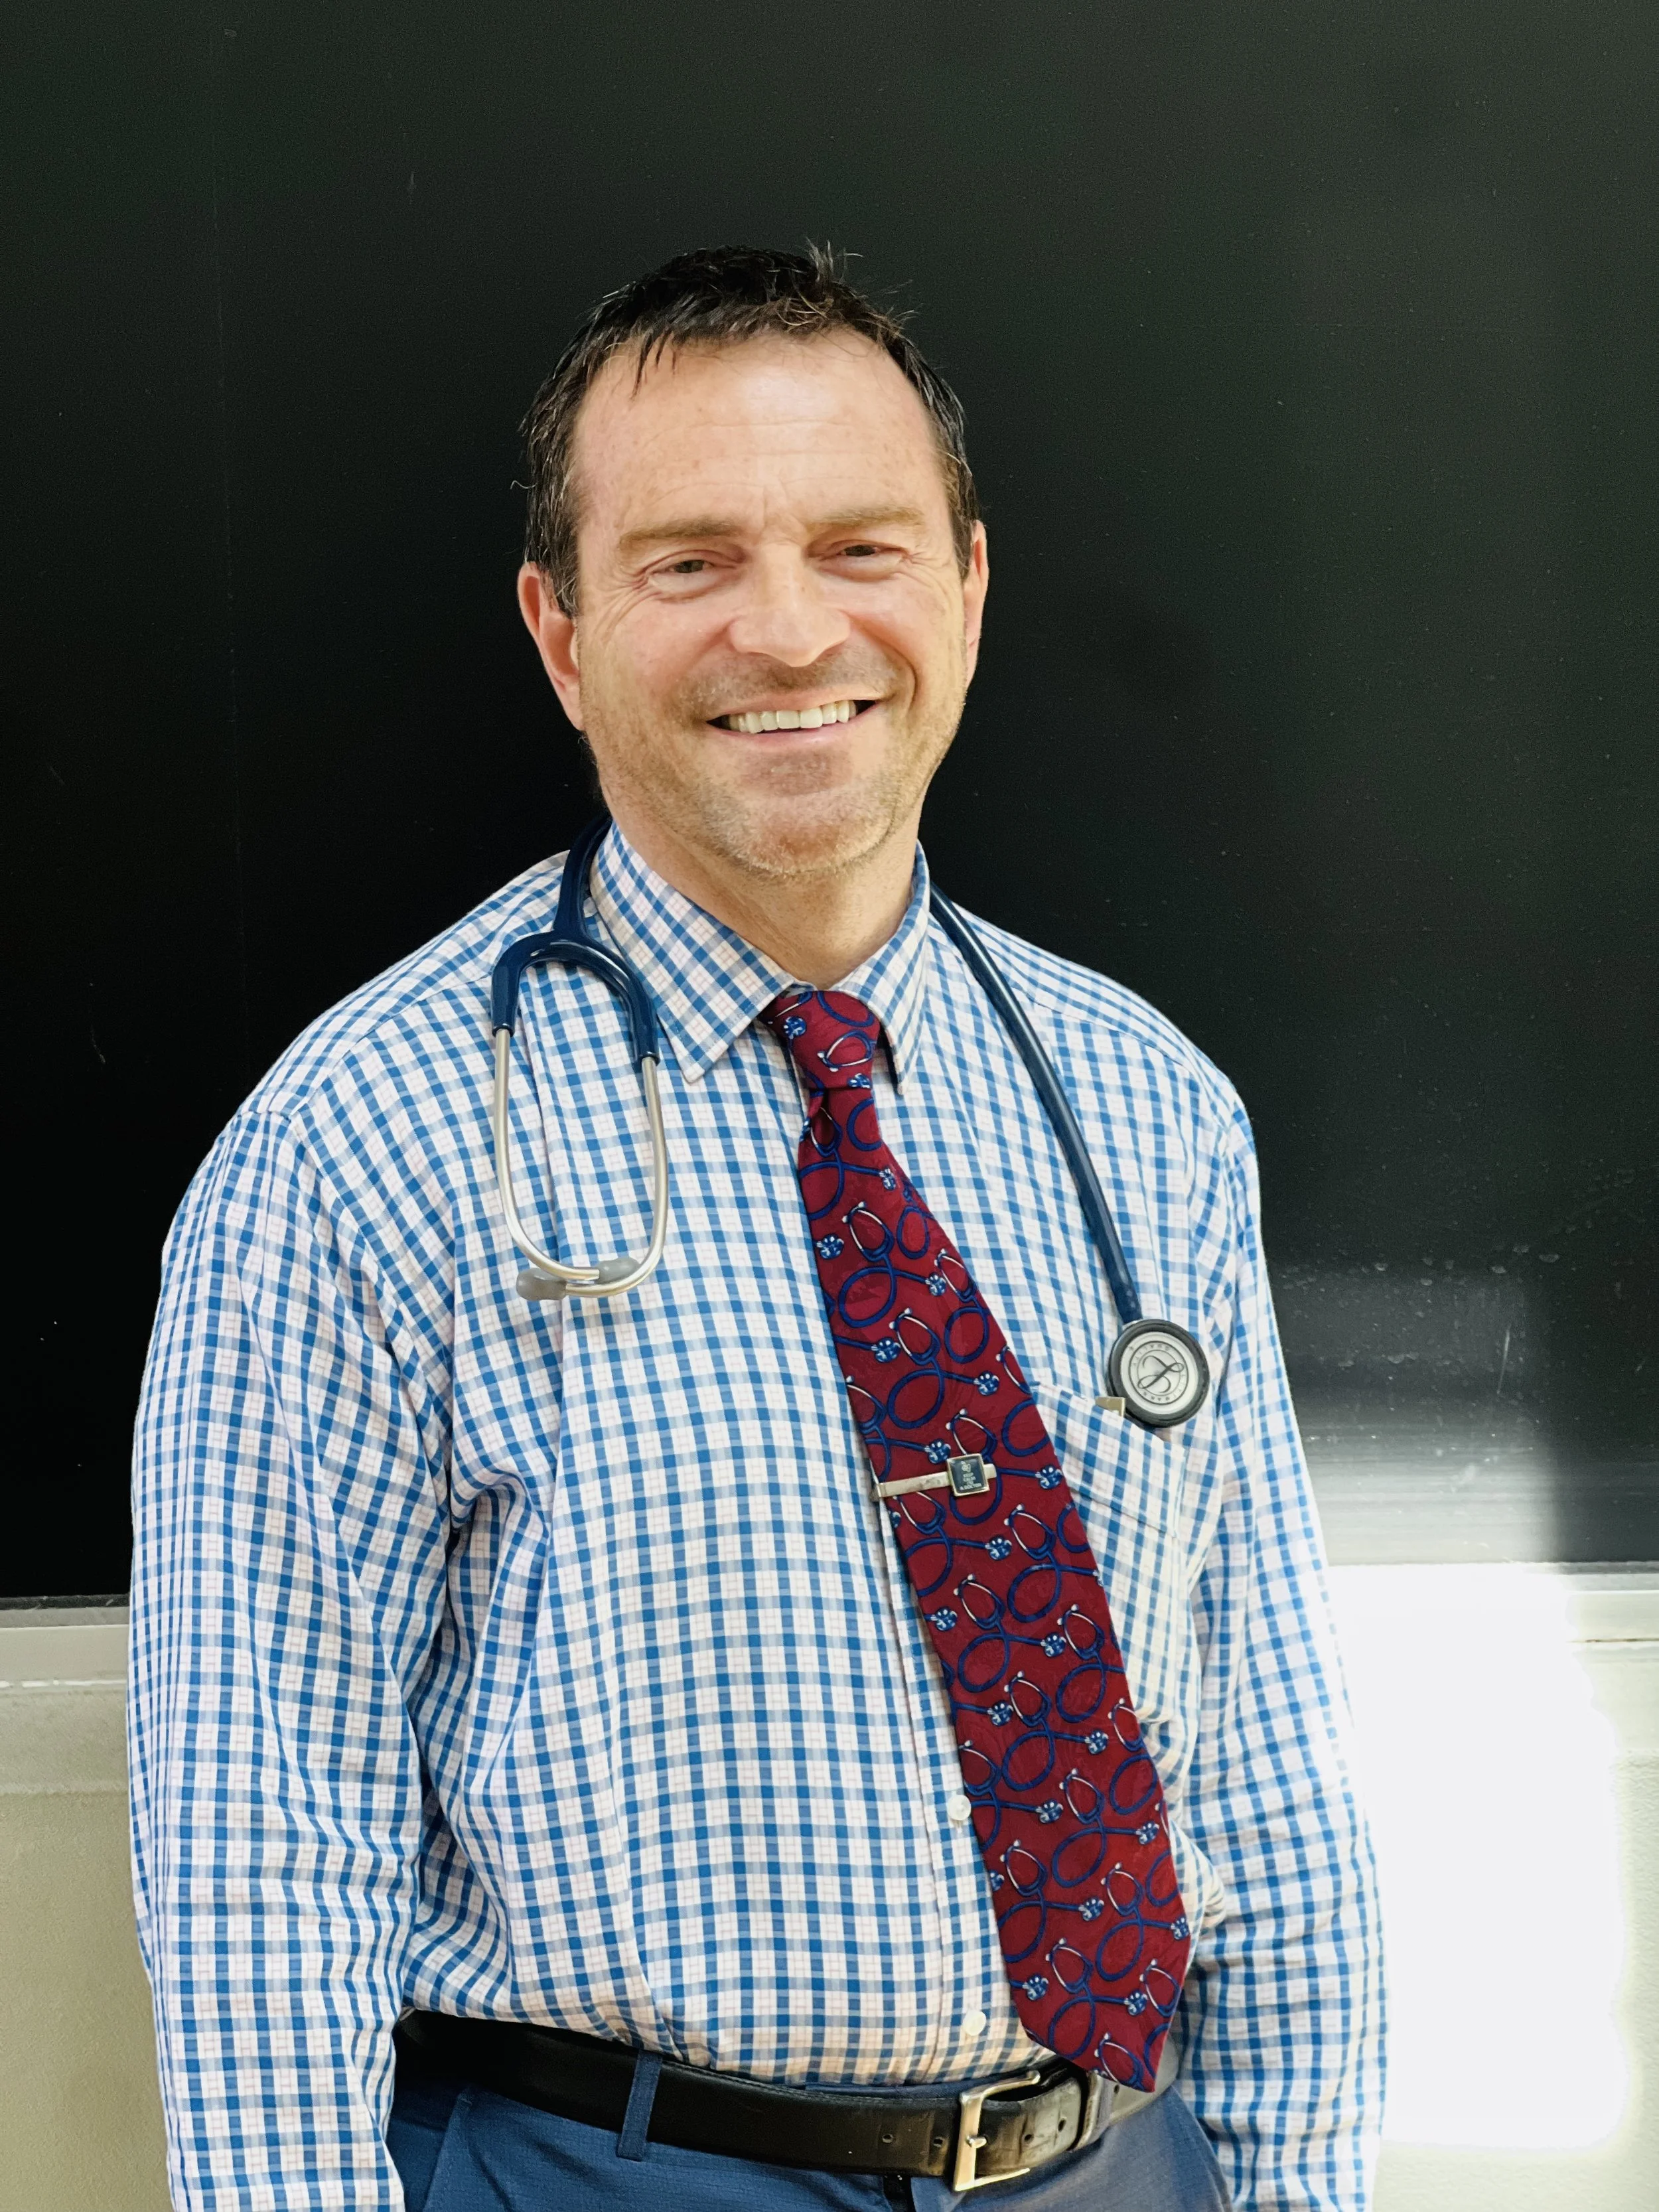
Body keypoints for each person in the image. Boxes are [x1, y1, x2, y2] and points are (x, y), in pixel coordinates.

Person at [129, 245, 1382, 2211]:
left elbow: (1263, 1760)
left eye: (858, 547)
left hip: (1120, 2167)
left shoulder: (1147, 1109)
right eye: (690, 561)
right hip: (609, 2174)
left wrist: (1297, 2183)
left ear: (965, 585)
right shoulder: (358, 1143)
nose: (790, 632)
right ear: (561, 634)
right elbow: (260, 1846)